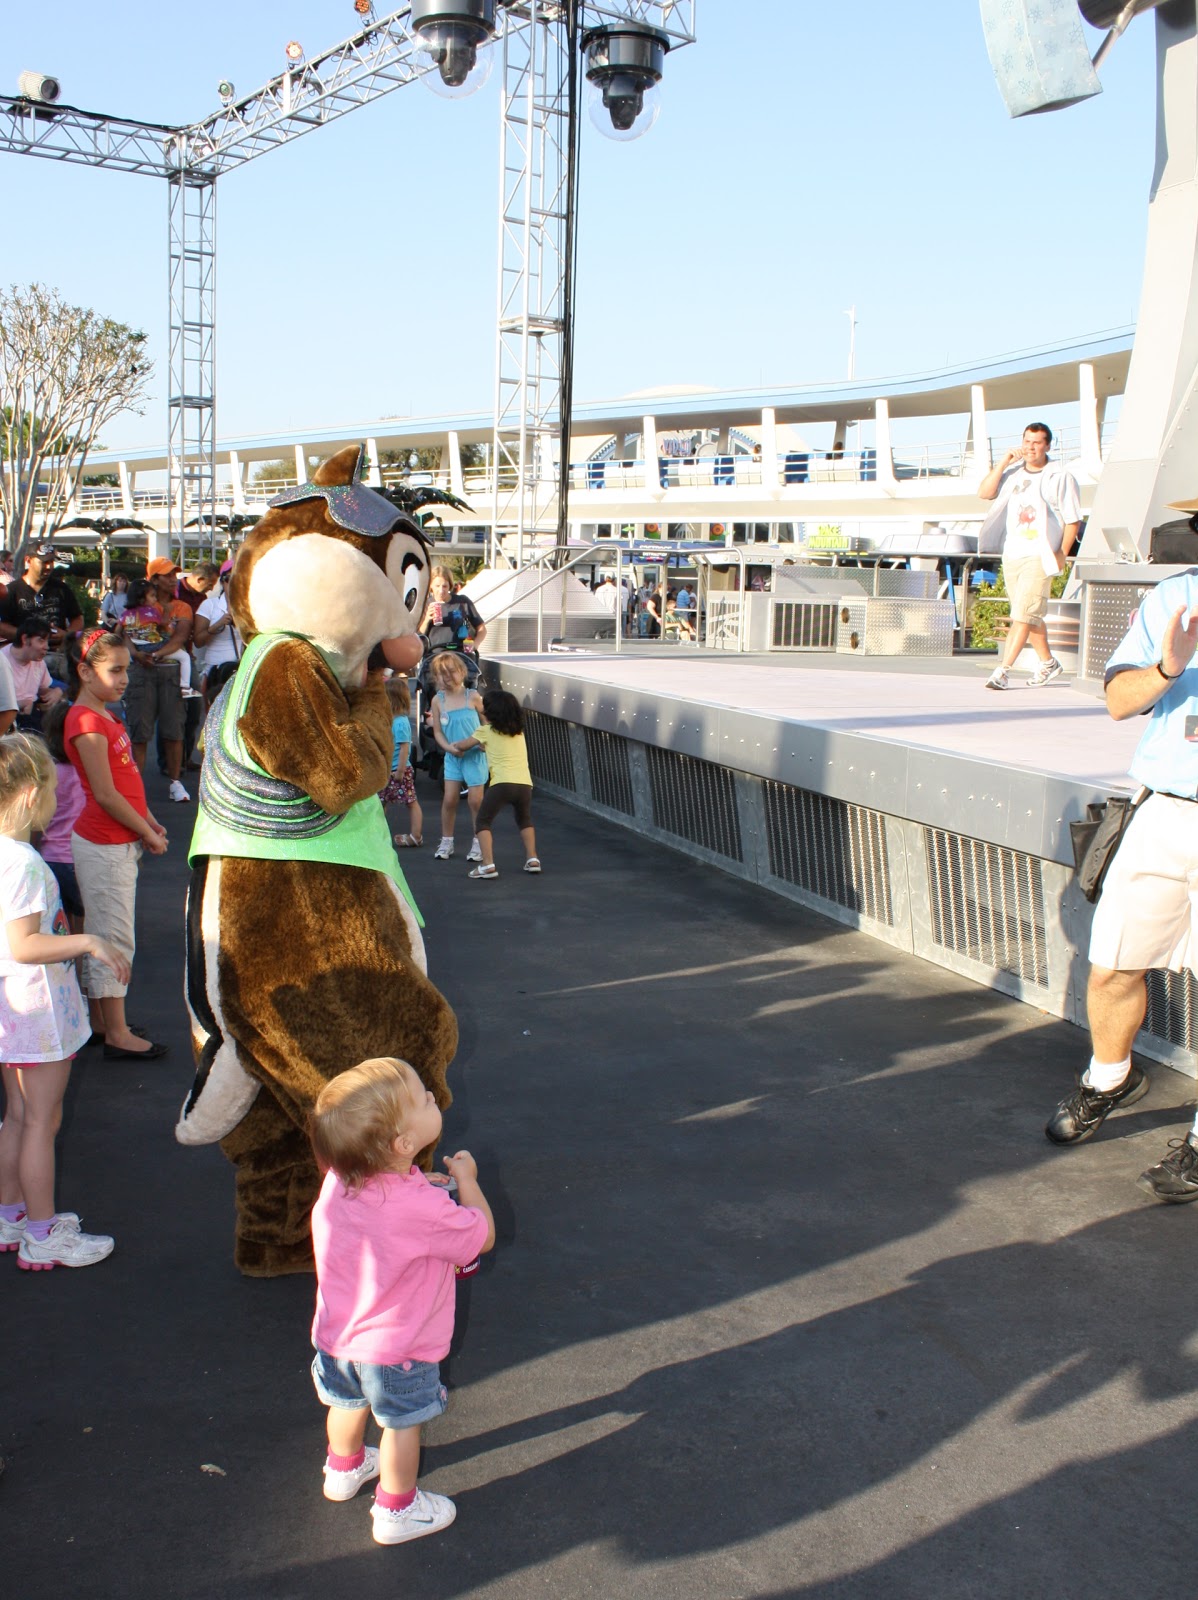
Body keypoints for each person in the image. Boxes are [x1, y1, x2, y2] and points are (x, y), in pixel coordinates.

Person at [1043, 550, 1198, 1200]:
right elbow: (1116, 700)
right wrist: (1170, 666)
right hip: (1168, 810)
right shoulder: (1176, 597)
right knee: (1111, 967)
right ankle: (1110, 1078)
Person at [308, 1056, 494, 1546]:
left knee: (347, 1403)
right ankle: (397, 1509)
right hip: (400, 1352)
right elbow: (481, 1236)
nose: (434, 1095)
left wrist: (418, 1185)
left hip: (339, 1338)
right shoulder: (423, 1209)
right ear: (404, 1144)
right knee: (400, 1427)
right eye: (424, 1097)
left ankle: (342, 1469)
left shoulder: (339, 1181)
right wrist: (468, 1181)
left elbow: (386, 1208)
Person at [0, 731, 129, 1270]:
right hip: (38, 1017)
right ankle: (42, 1231)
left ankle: (11, 1214)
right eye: (54, 789)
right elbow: (24, 944)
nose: (60, 799)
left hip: (13, 1015)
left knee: (17, 1116)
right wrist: (89, 940)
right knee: (40, 1123)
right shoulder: (25, 864)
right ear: (31, 795)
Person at [65, 628, 169, 1061]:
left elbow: (125, 787)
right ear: (85, 673)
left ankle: (103, 1023)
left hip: (116, 840)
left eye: (126, 669)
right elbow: (105, 795)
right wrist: (145, 831)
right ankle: (118, 1033)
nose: (124, 679)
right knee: (113, 937)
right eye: (115, 671)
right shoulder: (87, 722)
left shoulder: (104, 715)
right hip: (106, 844)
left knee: (105, 930)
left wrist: (148, 820)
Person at [978, 422, 1081, 690]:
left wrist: (1062, 553)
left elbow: (1073, 520)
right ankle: (1048, 663)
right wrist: (1003, 462)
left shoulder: (1060, 476)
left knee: (1022, 615)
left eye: (1036, 442)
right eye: (1027, 441)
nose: (1030, 447)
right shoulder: (1013, 473)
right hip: (1012, 553)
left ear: (1048, 445)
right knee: (1027, 614)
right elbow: (984, 493)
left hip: (1040, 554)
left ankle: (1002, 671)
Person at [123, 558, 194, 801]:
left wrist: (154, 654)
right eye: (167, 574)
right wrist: (135, 655)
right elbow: (122, 636)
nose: (174, 578)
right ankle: (135, 787)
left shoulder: (182, 607)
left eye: (175, 573)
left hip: (169, 672)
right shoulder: (133, 612)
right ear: (153, 580)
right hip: (141, 672)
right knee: (139, 731)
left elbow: (180, 638)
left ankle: (175, 783)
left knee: (174, 729)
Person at [451, 689, 539, 880]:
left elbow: (464, 745)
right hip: (524, 784)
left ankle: (487, 864)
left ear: (490, 713)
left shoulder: (485, 731)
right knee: (524, 819)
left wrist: (455, 745)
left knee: (483, 821)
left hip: (501, 784)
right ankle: (532, 859)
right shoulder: (518, 733)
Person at [429, 652, 487, 863]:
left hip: (473, 756)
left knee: (475, 800)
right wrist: (448, 749)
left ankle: (479, 841)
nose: (447, 678)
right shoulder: (438, 700)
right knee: (450, 799)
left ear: (462, 672)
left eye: (451, 672)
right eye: (441, 674)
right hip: (453, 756)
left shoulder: (472, 697)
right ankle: (447, 840)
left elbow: (486, 724)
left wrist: (484, 743)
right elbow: (437, 731)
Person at [0, 543, 84, 683]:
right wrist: (27, 637)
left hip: (57, 654)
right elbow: (1, 626)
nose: (49, 566)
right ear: (28, 560)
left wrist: (67, 633)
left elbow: (78, 618)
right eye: (44, 562)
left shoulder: (62, 589)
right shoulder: (12, 591)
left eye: (51, 561)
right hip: (23, 659)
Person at [381, 675, 423, 850]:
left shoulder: (401, 723)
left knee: (410, 801)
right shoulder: (390, 721)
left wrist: (399, 771)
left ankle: (416, 835)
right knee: (381, 802)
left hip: (399, 770)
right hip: (387, 770)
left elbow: (405, 748)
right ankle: (378, 834)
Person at [3, 617, 63, 729]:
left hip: (34, 713)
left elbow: (42, 689)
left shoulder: (38, 662)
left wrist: (56, 692)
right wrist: (18, 704)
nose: (46, 647)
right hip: (10, 719)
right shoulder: (3, 661)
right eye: (41, 641)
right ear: (25, 639)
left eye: (47, 641)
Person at [420, 567, 486, 659]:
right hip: (434, 656)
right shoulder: (425, 604)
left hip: (461, 655)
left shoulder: (462, 602)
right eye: (437, 586)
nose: (441, 590)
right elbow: (418, 635)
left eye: (445, 586)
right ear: (431, 585)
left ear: (450, 585)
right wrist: (427, 619)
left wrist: (475, 644)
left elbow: (481, 628)